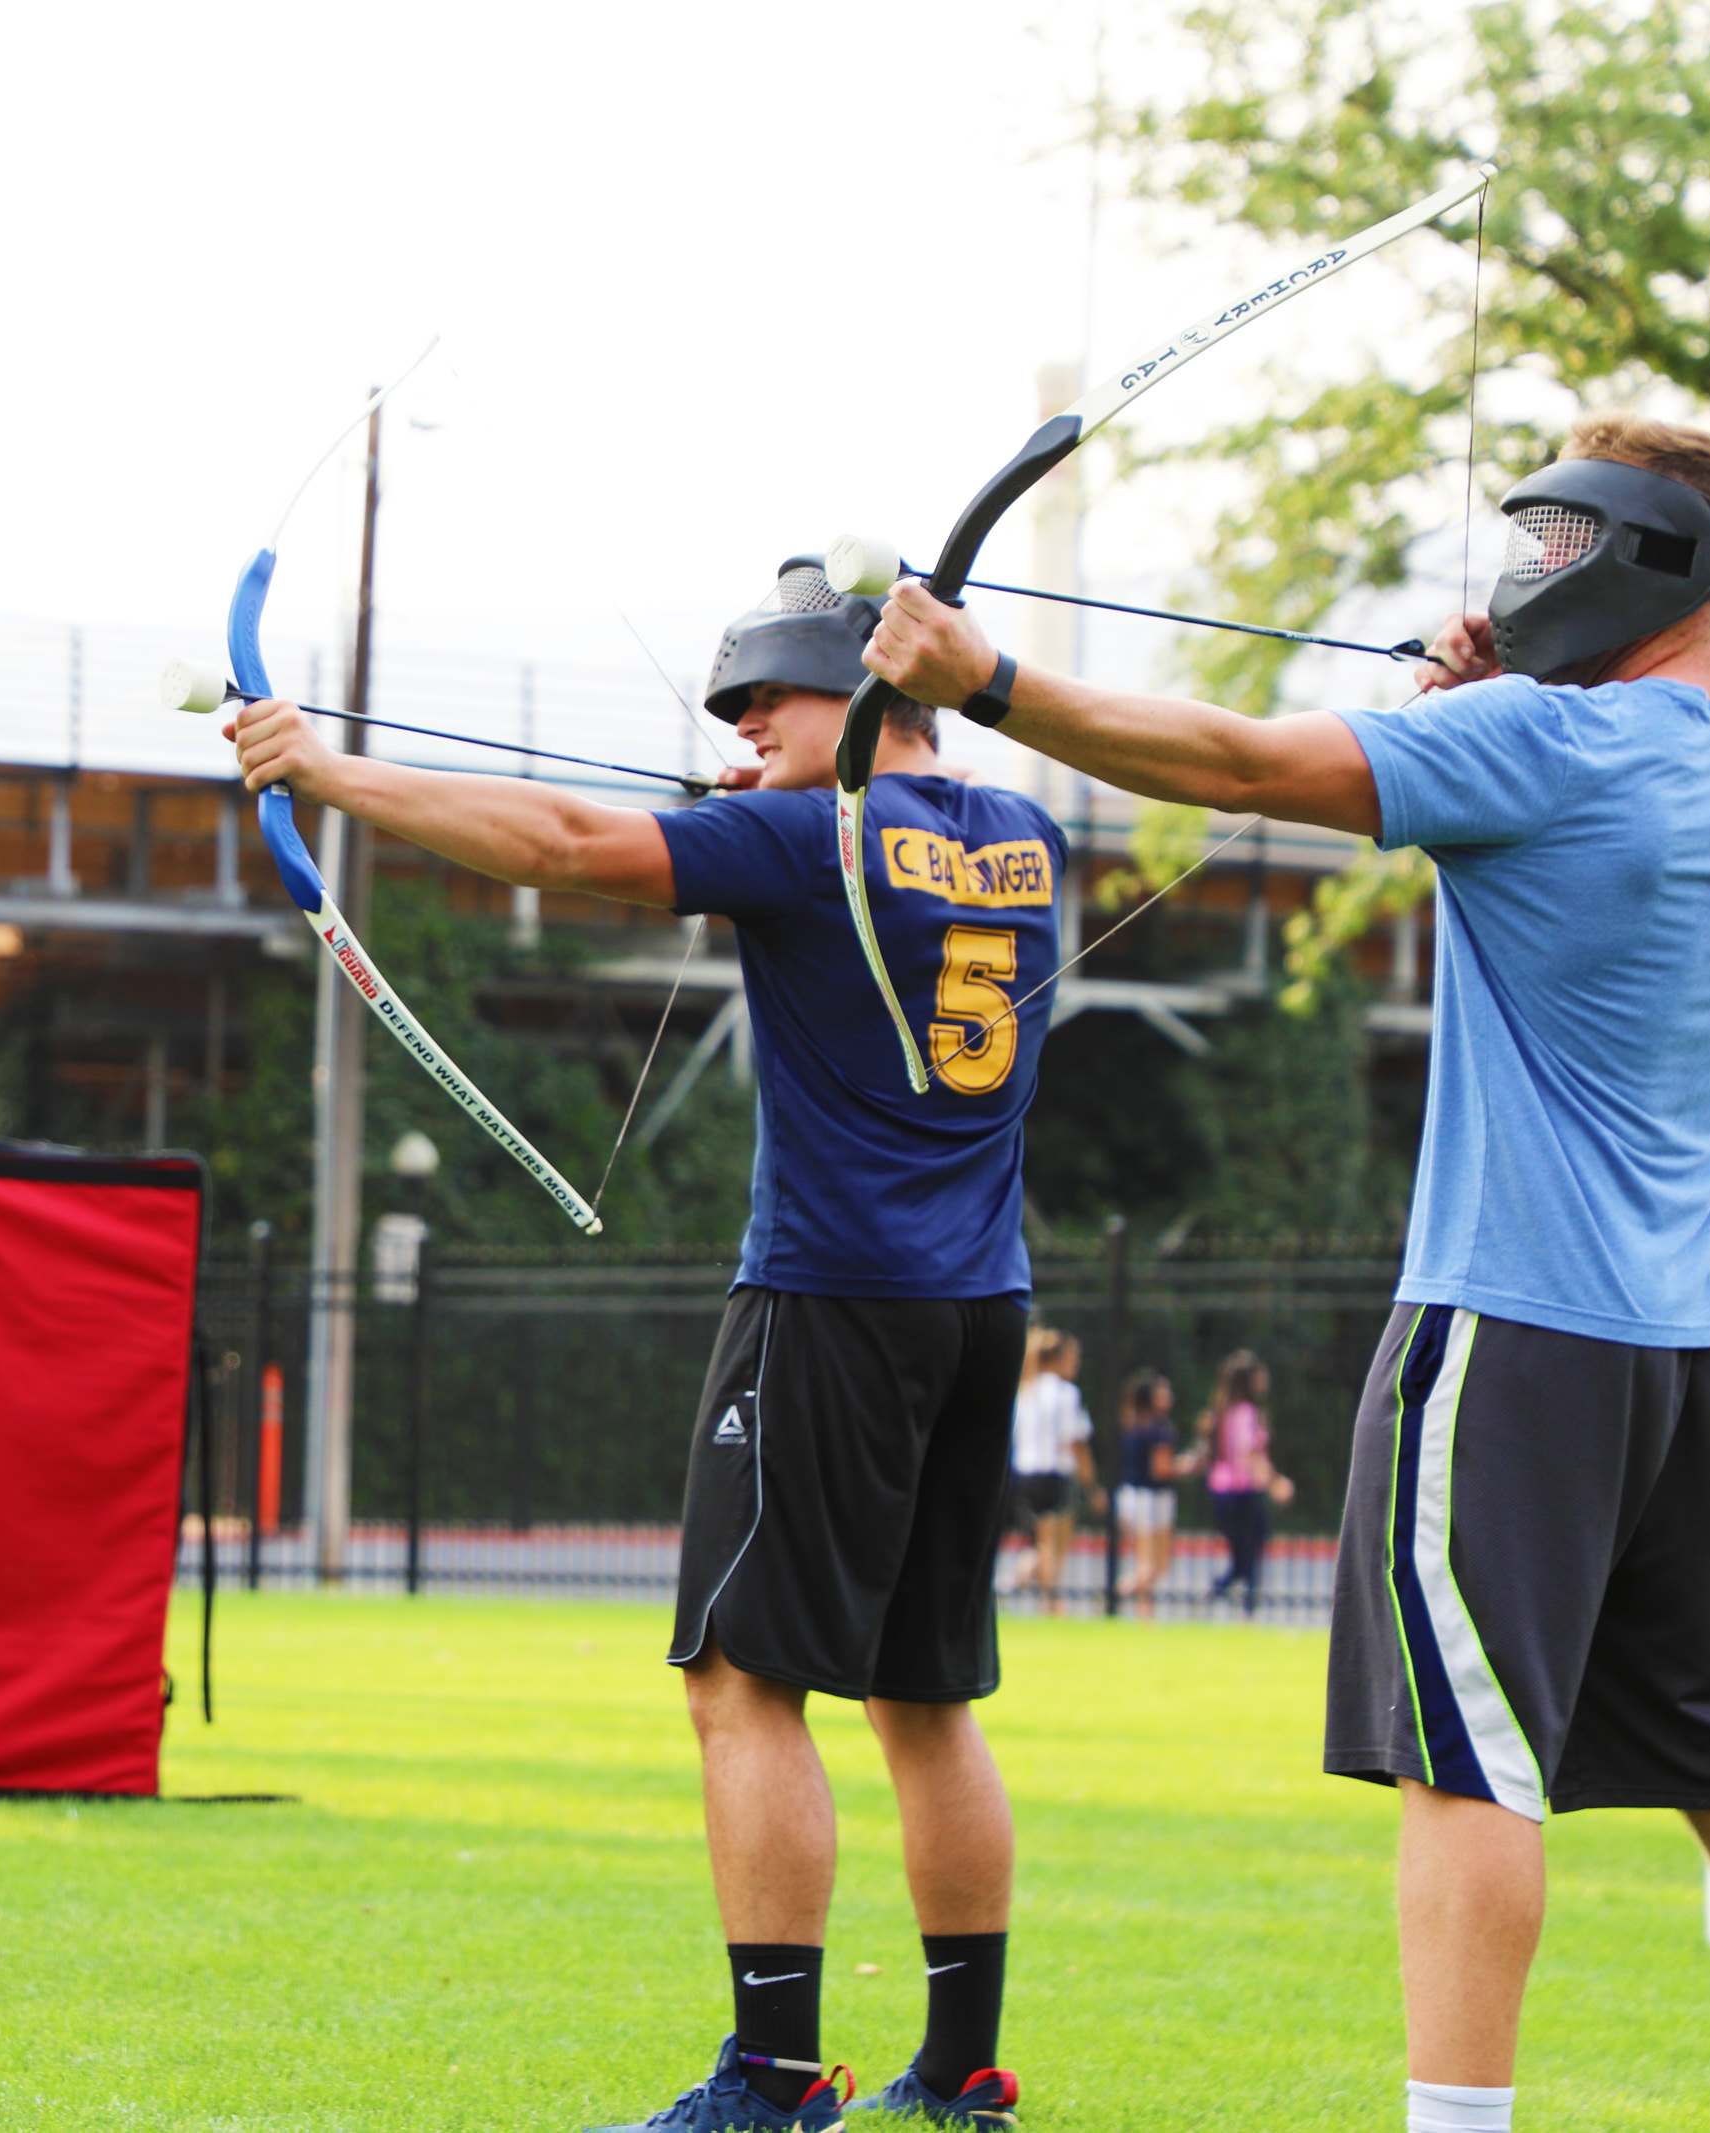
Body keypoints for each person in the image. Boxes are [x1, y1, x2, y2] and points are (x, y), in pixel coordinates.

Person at [864, 413, 1710, 2132]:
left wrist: (990, 676)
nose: (1529, 571)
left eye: (1562, 545)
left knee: (1467, 1761)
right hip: (1694, 1343)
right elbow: (1551, 785)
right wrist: (1487, 703)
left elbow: (1244, 762)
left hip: (1511, 1332)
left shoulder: (1542, 752)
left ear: (1653, 554)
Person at [232, 556, 1062, 2130]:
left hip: (828, 1301)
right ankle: (963, 2068)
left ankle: (770, 2079)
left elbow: (560, 841)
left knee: (742, 1683)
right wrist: (777, 803)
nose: (744, 740)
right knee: (925, 1699)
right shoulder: (1029, 838)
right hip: (979, 1305)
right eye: (733, 719)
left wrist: (321, 769)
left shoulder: (802, 834)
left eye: (770, 706)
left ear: (878, 688)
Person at [1002, 1328, 1096, 1612]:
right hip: (1054, 1475)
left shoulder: (1024, 1391)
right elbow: (1075, 1441)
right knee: (1055, 1546)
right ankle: (1049, 1601)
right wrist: (1091, 1484)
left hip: (1023, 1475)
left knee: (1041, 1543)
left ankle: (1039, 1591)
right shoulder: (1066, 1393)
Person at [1195, 1352, 1290, 1614]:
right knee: (1251, 1551)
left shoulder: (1221, 1412)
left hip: (1220, 1490)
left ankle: (1222, 1593)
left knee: (1243, 1555)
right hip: (1242, 1491)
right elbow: (1248, 1454)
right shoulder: (1247, 1413)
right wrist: (1275, 1482)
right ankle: (1246, 1606)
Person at [1110, 1369, 1186, 1607]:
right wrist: (1187, 1466)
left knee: (1147, 1561)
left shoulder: (1131, 1423)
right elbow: (1161, 1469)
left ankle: (1144, 1610)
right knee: (1154, 1563)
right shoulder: (1160, 1430)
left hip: (1130, 1494)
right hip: (1153, 1498)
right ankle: (1120, 1590)